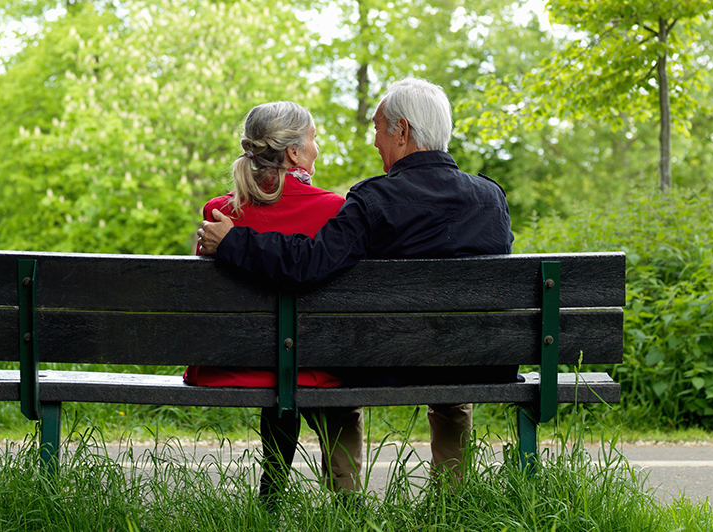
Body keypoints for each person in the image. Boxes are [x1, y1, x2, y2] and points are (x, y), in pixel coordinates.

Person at [196, 78, 518, 485]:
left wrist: (233, 242)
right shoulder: (491, 196)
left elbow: (309, 263)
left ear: (402, 131)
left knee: (340, 361)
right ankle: (450, 502)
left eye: (379, 128)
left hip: (383, 364)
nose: (374, 140)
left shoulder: (373, 199)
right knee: (452, 362)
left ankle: (347, 508)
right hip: (476, 363)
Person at [183, 101, 364, 500]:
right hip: (314, 366)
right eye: (313, 139)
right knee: (307, 374)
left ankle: (272, 495)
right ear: (294, 152)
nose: (318, 148)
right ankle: (346, 503)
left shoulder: (220, 214)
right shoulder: (334, 211)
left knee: (278, 364)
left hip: (230, 364)